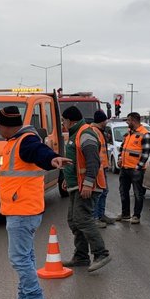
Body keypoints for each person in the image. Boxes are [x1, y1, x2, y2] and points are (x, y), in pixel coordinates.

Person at [0, 106, 72, 299]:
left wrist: (53, 159)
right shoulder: (14, 142)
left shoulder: (26, 141)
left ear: (8, 126)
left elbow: (40, 153)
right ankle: (24, 298)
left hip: (23, 210)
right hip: (22, 207)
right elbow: (16, 174)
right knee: (27, 256)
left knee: (19, 258)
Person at [60, 106, 112, 272]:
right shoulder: (76, 134)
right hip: (77, 185)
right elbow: (75, 161)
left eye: (63, 121)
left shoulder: (85, 133)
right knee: (74, 220)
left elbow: (93, 161)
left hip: (87, 186)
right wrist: (68, 180)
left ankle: (101, 253)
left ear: (71, 121)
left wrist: (88, 183)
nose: (63, 124)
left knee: (82, 219)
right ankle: (81, 256)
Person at [117, 112, 150, 224]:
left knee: (137, 193)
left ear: (134, 121)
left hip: (136, 170)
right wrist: (119, 159)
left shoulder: (145, 134)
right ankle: (125, 214)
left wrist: (138, 167)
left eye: (128, 120)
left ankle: (136, 215)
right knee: (123, 192)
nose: (127, 122)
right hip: (124, 168)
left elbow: (146, 154)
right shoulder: (128, 134)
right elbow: (122, 149)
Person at [91, 110, 116, 228]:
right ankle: (96, 217)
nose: (106, 122)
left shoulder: (99, 131)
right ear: (102, 121)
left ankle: (101, 215)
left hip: (103, 166)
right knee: (99, 192)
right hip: (99, 168)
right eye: (105, 120)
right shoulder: (95, 132)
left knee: (103, 191)